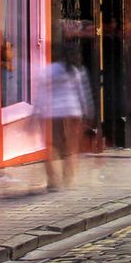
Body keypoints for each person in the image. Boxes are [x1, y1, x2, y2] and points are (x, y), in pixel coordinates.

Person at [40, 48, 91, 190]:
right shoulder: (76, 71)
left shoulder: (49, 70)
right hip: (73, 113)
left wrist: (37, 112)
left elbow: (41, 93)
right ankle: (68, 180)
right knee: (71, 148)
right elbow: (83, 95)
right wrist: (87, 113)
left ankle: (53, 181)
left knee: (51, 147)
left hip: (53, 113)